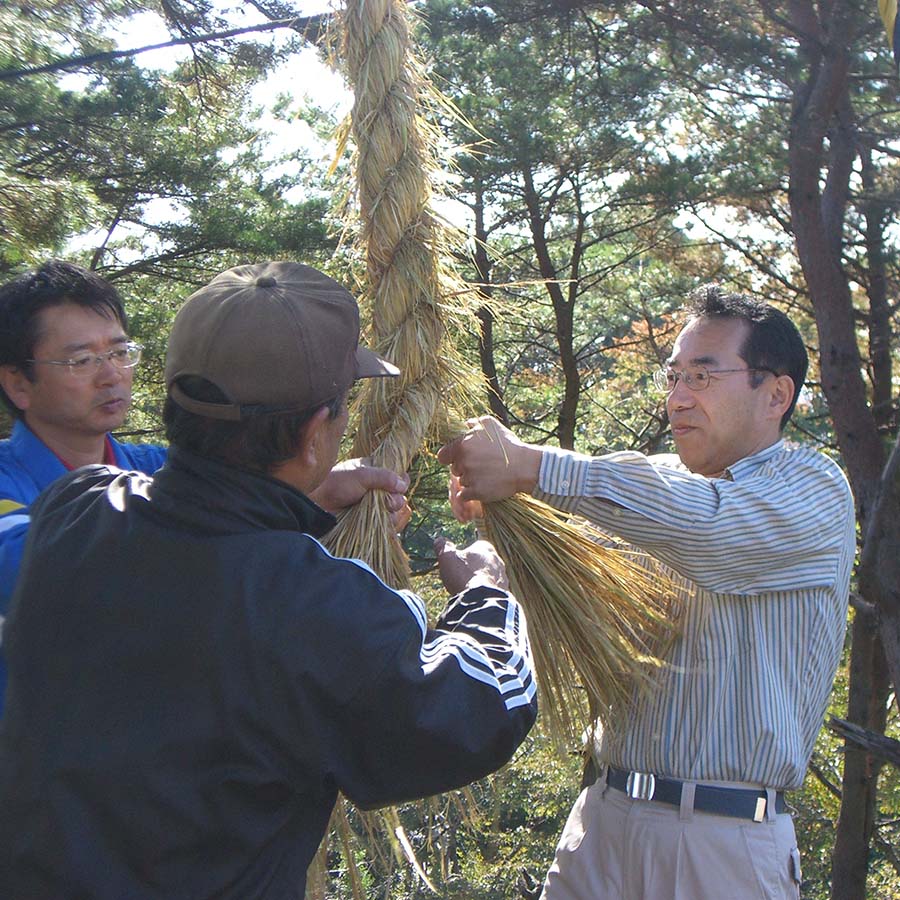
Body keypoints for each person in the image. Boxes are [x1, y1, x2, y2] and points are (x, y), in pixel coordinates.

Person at [0, 260, 537, 899]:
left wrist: (309, 497)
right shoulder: (309, 601)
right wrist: (486, 595)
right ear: (315, 432)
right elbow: (479, 710)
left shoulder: (76, 508)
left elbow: (186, 532)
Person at [438, 285, 855, 900]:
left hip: (721, 846)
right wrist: (494, 566)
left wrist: (530, 466)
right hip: (600, 823)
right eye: (674, 375)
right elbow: (576, 598)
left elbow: (709, 526)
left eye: (704, 377)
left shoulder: (814, 491)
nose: (678, 397)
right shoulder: (653, 486)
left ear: (776, 394)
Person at [0, 260, 410, 715]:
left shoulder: (163, 469)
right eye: (81, 360)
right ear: (18, 383)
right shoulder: (15, 486)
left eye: (119, 352)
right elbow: (37, 564)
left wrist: (316, 498)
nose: (110, 374)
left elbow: (210, 524)